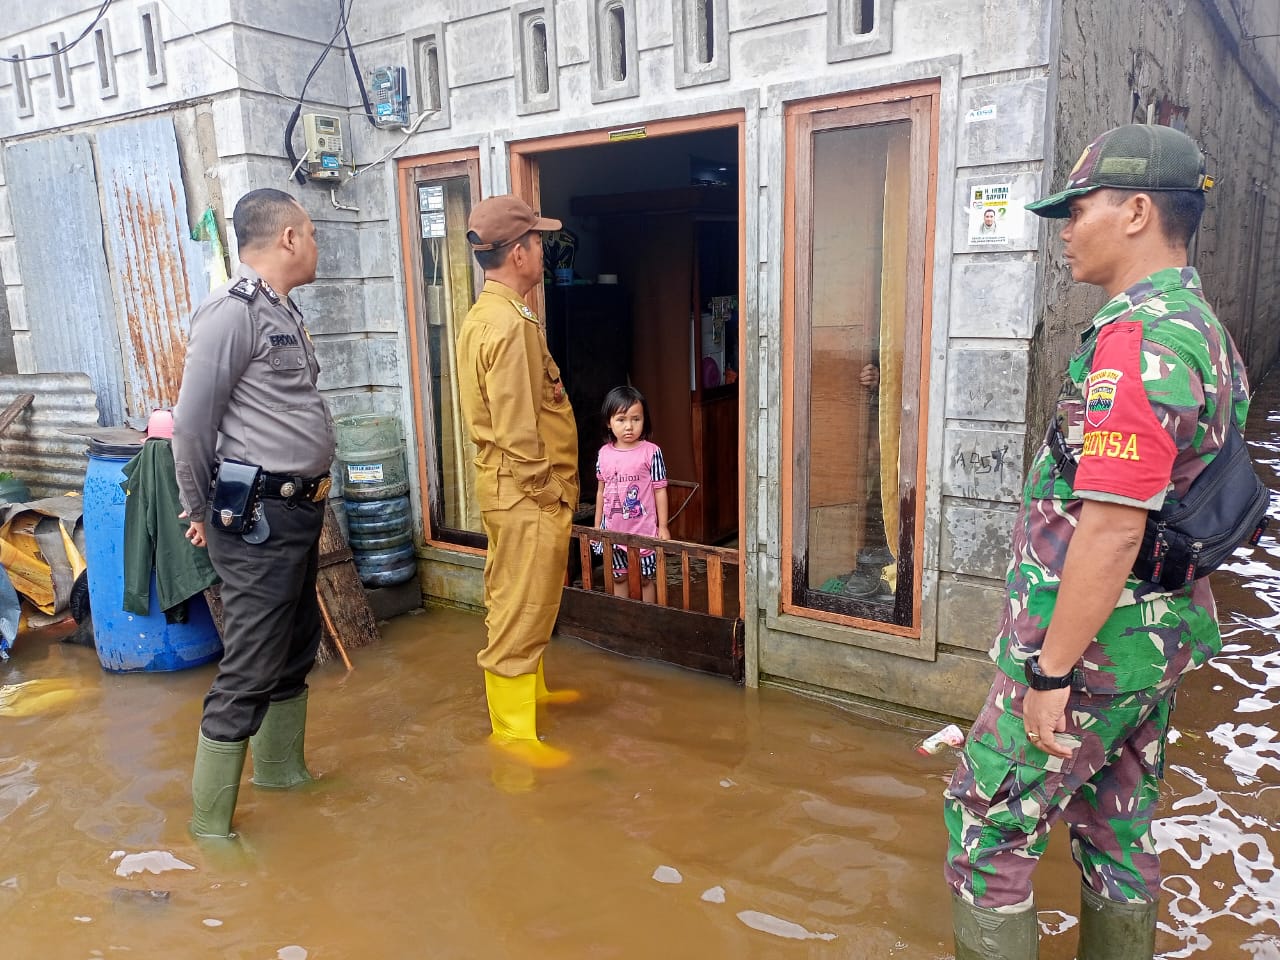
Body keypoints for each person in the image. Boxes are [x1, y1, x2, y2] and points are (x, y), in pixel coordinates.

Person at [943, 124, 1247, 960]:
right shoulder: (1202, 329)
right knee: (1116, 828)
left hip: (1092, 651)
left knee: (988, 825)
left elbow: (1112, 527)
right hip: (1152, 644)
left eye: (1077, 210)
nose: (1065, 230)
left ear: (1139, 211)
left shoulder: (1139, 341)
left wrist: (1048, 673)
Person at [172, 188, 336, 839]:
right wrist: (197, 508)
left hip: (296, 514)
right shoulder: (228, 313)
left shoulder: (283, 313)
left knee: (296, 645)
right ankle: (209, 829)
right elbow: (190, 426)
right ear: (290, 238)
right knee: (249, 664)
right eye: (314, 233)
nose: (317, 244)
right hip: (258, 518)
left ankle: (280, 772)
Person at [456, 194, 580, 770]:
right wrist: (549, 490)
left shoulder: (492, 314)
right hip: (525, 490)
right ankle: (513, 736)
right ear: (520, 252)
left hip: (508, 488)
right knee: (520, 604)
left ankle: (531, 694)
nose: (543, 251)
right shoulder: (507, 324)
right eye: (538, 241)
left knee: (522, 597)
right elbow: (516, 425)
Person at [592, 386, 670, 603]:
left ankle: (649, 618)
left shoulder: (651, 452)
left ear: (644, 419)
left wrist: (662, 526)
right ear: (609, 422)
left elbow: (660, 489)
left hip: (643, 530)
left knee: (646, 578)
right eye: (621, 419)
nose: (629, 426)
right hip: (614, 531)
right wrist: (598, 525)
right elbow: (601, 491)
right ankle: (623, 617)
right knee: (619, 577)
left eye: (636, 419)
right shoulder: (604, 454)